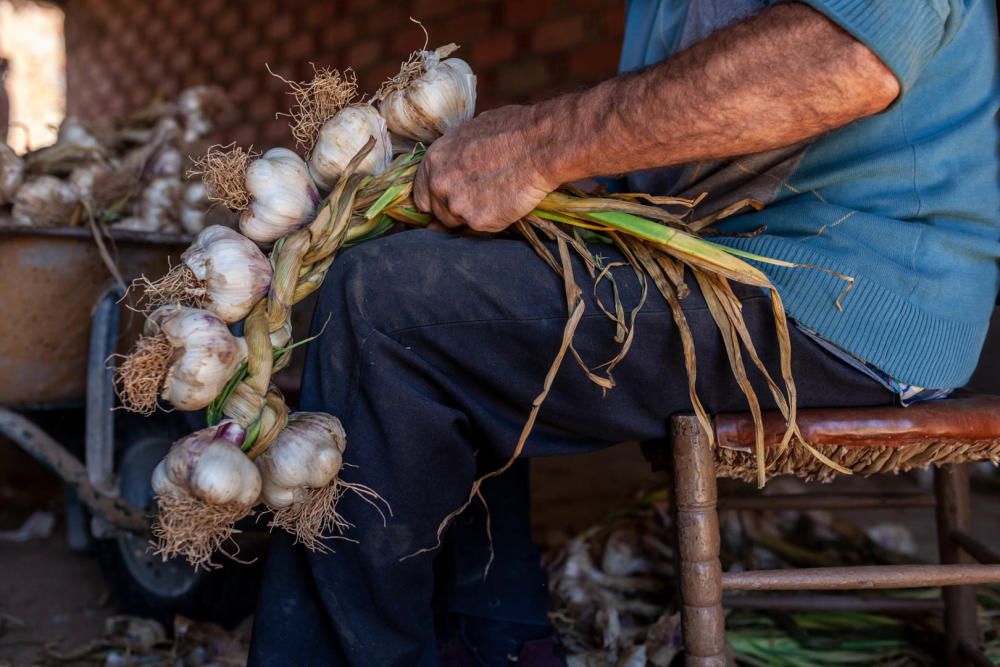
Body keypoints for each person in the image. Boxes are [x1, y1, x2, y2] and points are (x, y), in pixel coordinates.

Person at [249, 1, 999, 665]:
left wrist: (540, 143)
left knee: (393, 301)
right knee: (457, 283)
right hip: (737, 266)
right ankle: (496, 640)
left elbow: (845, 59)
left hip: (844, 291)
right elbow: (676, 158)